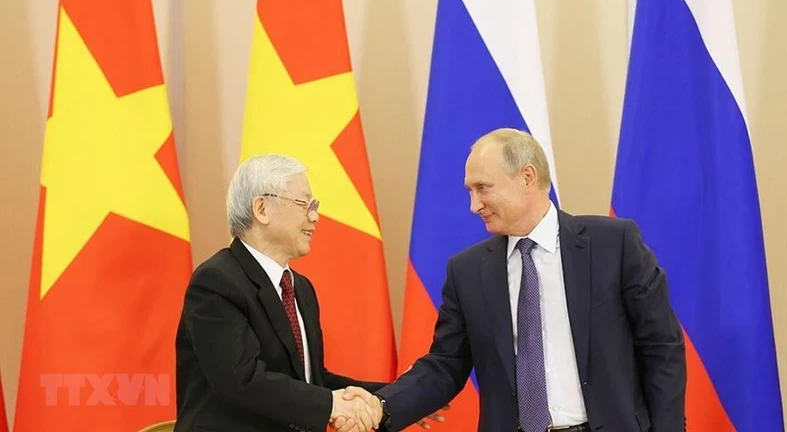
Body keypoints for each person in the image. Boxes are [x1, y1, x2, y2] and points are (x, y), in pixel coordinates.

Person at [344, 128, 686, 432]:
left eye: (482, 188)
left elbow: (661, 347)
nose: (474, 205)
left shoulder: (613, 244)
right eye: (470, 191)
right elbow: (445, 365)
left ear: (527, 177)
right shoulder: (467, 271)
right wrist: (381, 405)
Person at [174, 154, 385, 432]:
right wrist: (332, 405)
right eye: (304, 204)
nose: (315, 216)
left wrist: (390, 399)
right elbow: (241, 380)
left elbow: (311, 381)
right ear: (262, 208)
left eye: (314, 205)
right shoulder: (216, 281)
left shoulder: (301, 288)